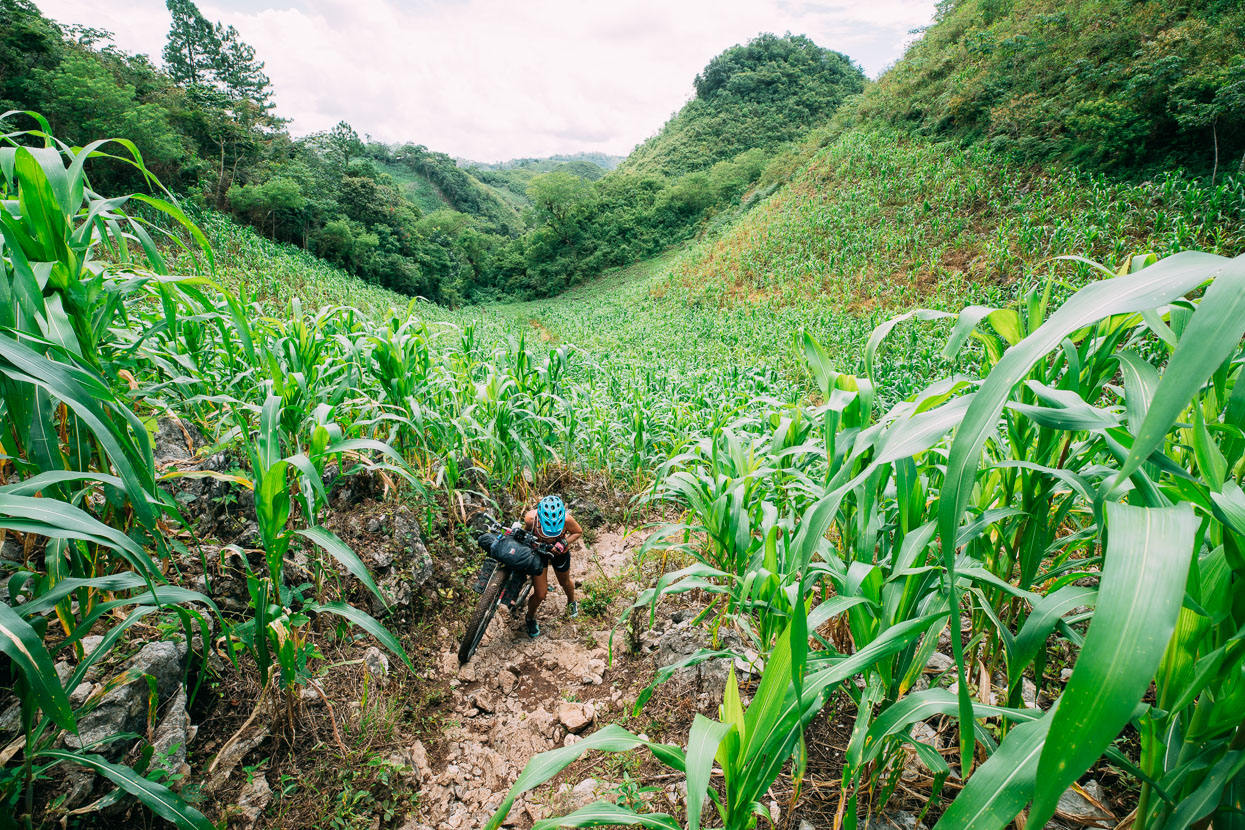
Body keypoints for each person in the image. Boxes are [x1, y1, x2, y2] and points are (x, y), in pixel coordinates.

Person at [523, 495, 583, 638]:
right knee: (541, 593)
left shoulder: (567, 520)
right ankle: (530, 617)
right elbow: (526, 532)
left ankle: (571, 601)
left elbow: (578, 532)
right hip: (540, 551)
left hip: (560, 553)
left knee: (564, 582)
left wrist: (564, 542)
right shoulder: (531, 518)